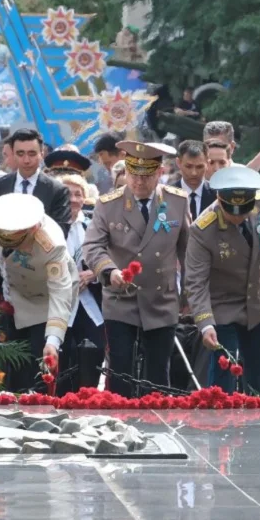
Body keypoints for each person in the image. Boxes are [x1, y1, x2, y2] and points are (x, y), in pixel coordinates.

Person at [82, 142, 188, 394]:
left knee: (158, 374)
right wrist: (109, 271)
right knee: (120, 371)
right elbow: (93, 246)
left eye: (147, 175)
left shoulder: (176, 202)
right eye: (134, 174)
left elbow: (188, 253)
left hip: (161, 298)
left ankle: (159, 425)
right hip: (121, 298)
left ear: (159, 172)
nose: (139, 182)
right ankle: (120, 425)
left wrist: (189, 297)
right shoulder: (109, 204)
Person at [186, 167, 260, 393]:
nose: (239, 217)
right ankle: (220, 424)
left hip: (257, 301)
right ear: (220, 201)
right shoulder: (203, 230)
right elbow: (196, 281)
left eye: (244, 211)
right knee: (224, 370)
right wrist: (205, 322)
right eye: (233, 212)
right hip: (222, 304)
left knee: (259, 374)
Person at [0, 194, 77, 392]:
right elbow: (2, 260)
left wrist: (53, 340)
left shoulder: (52, 247)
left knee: (39, 365)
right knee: (14, 368)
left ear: (32, 229)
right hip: (15, 296)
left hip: (46, 300)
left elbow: (60, 294)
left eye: (16, 242)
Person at [56, 173, 104, 391]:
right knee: (64, 356)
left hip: (89, 301)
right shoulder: (50, 227)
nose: (73, 199)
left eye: (78, 194)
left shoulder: (93, 226)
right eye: (68, 193)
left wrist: (94, 273)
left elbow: (108, 254)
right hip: (59, 303)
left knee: (94, 352)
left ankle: (90, 398)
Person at [0, 128, 72, 236]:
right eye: (20, 154)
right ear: (13, 154)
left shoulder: (57, 191)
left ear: (41, 154)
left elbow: (60, 232)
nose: (26, 160)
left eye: (32, 154)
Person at [172, 140, 216, 222]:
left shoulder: (217, 196)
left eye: (199, 167)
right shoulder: (167, 196)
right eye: (188, 166)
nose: (194, 173)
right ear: (178, 163)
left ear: (208, 163)